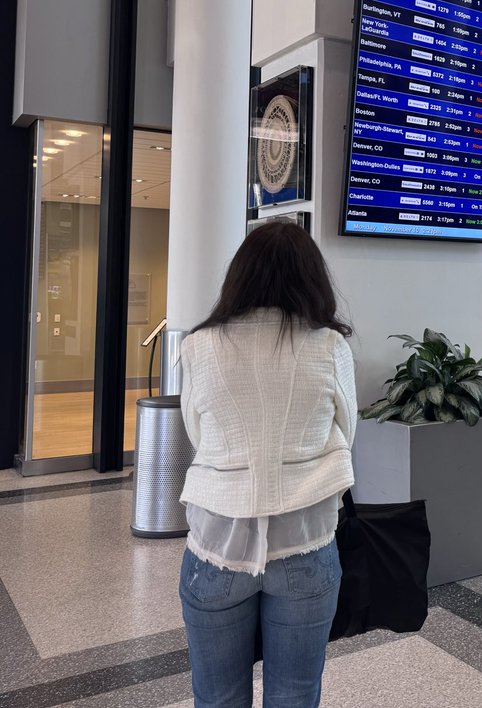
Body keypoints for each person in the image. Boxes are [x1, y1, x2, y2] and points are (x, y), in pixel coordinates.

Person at [178, 223, 356, 707]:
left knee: (217, 697)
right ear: (313, 277)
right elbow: (347, 432)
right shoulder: (330, 346)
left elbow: (198, 435)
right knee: (295, 694)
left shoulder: (199, 346)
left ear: (240, 275)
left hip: (217, 545)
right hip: (305, 541)